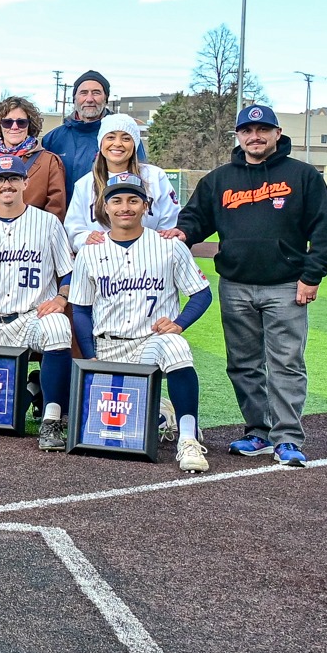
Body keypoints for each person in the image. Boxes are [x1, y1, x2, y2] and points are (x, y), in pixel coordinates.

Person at [175, 104, 327, 466]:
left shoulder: (302, 176)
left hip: (286, 285)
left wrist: (311, 276)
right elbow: (194, 218)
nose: (256, 136)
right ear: (238, 136)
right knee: (243, 364)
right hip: (235, 285)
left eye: (264, 130)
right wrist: (182, 233)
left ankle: (287, 438)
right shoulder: (220, 179)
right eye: (248, 131)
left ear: (277, 134)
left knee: (286, 363)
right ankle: (259, 432)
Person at [70, 172, 214, 474]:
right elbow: (80, 309)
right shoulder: (89, 251)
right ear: (104, 207)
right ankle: (161, 410)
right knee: (113, 433)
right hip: (108, 348)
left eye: (133, 200)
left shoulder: (169, 246)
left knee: (175, 346)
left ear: (146, 205)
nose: (126, 207)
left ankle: (188, 438)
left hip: (149, 345)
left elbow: (201, 294)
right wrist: (90, 355)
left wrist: (179, 323)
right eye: (117, 200)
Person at [0, 154, 77, 450]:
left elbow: (70, 274)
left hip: (33, 318)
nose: (6, 185)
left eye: (12, 179)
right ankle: (33, 388)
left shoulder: (47, 223)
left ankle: (52, 418)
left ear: (25, 183)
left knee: (59, 327)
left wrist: (61, 298)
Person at [65, 115, 179, 252]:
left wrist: (158, 244)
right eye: (110, 137)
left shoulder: (155, 176)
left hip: (148, 261)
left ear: (134, 144)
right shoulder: (84, 184)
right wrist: (85, 238)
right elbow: (74, 230)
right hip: (101, 262)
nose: (118, 143)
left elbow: (170, 224)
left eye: (126, 138)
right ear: (101, 143)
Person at [0, 95, 67, 223]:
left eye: (21, 122)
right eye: (8, 122)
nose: (14, 127)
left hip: (35, 236)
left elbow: (56, 211)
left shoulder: (49, 163)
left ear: (30, 125)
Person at [42, 70, 113, 186]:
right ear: (74, 98)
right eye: (83, 93)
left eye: (96, 93)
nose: (89, 99)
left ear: (106, 98)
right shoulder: (53, 139)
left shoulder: (123, 138)